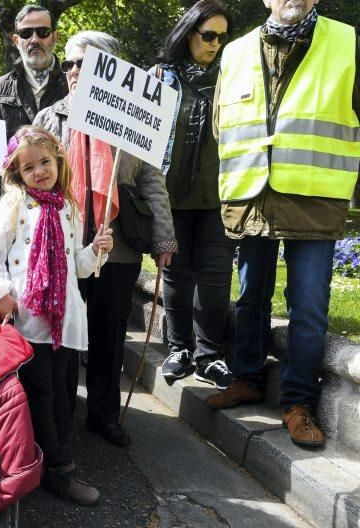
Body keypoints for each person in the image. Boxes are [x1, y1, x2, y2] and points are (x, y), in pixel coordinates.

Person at [205, 0, 360, 449]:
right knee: (252, 296)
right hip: (253, 196)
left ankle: (297, 403)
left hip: (314, 199)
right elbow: (222, 126)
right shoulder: (234, 52)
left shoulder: (346, 42)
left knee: (307, 309)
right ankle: (248, 379)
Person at [34, 31, 177, 448]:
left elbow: (152, 179)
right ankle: (60, 414)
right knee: (61, 335)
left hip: (118, 247)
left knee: (109, 337)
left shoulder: (131, 120)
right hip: (64, 248)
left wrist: (165, 239)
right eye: (70, 64)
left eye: (86, 63)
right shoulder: (49, 118)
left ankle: (103, 415)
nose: (75, 70)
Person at [0, 125, 113, 506]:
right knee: (40, 393)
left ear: (57, 159)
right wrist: (0, 293)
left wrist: (97, 250)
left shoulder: (69, 206)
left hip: (66, 318)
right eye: (29, 167)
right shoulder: (15, 203)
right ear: (17, 174)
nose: (39, 171)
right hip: (29, 316)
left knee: (64, 395)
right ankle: (58, 469)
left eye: (44, 162)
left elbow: (79, 267)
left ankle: (47, 458)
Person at [153, 0, 236, 390]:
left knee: (217, 279)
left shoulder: (234, 76)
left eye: (222, 36)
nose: (216, 43)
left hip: (220, 194)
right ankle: (179, 348)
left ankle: (210, 356)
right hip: (171, 195)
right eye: (208, 35)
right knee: (176, 273)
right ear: (189, 34)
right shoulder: (160, 78)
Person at [0, 5, 68, 139]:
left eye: (43, 32)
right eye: (26, 33)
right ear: (16, 41)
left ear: (55, 37)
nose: (34, 40)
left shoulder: (74, 86)